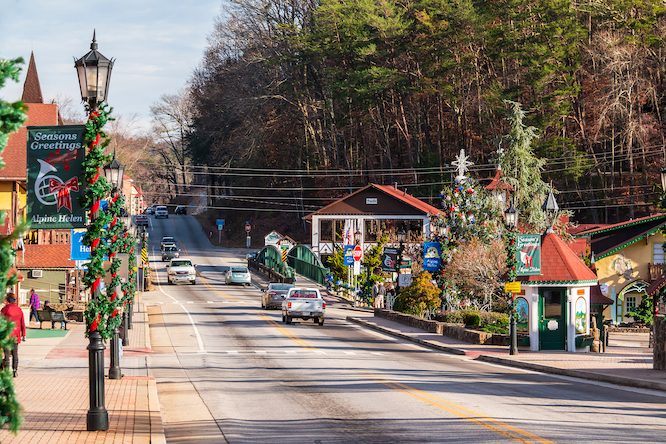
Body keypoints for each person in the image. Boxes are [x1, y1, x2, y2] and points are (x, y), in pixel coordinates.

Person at [1, 293, 25, 377]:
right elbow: (22, 323)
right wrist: (23, 334)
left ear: (7, 300)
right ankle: (15, 371)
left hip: (7, 335)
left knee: (6, 354)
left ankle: (7, 372)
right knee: (15, 353)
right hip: (16, 335)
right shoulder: (19, 309)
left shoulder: (4, 309)